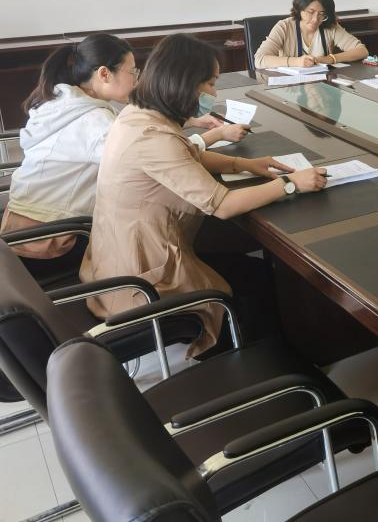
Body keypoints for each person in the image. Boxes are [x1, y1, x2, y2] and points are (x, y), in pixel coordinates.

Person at [79, 34, 328, 356]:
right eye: (210, 84)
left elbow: (185, 154)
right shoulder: (152, 136)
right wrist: (291, 183)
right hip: (140, 281)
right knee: (256, 278)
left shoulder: (138, 114)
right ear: (185, 84)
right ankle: (260, 363)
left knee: (245, 265)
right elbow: (223, 206)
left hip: (121, 256)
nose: (214, 93)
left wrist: (244, 164)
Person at [0, 34, 247, 284]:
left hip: (21, 224)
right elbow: (158, 154)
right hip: (51, 242)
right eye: (132, 72)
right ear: (104, 74)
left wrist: (191, 119)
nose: (136, 80)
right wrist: (214, 136)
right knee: (171, 222)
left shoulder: (65, 102)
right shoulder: (94, 122)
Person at [253, 0, 368, 69]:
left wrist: (330, 59)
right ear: (300, 8)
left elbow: (362, 51)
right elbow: (259, 59)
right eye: (310, 12)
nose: (315, 20)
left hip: (323, 86)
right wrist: (296, 62)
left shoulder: (330, 27)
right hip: (291, 88)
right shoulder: (284, 27)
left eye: (321, 14)